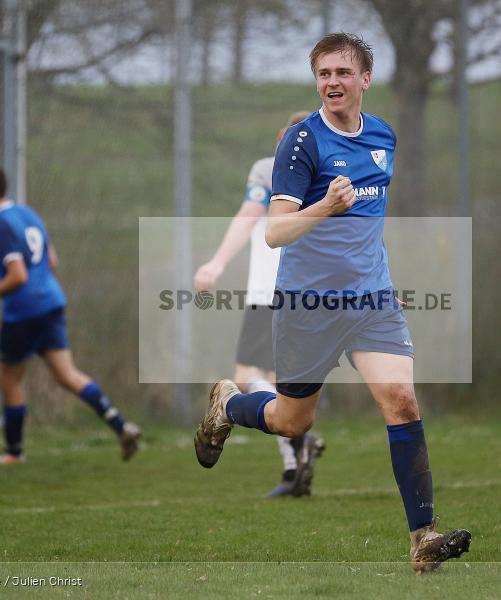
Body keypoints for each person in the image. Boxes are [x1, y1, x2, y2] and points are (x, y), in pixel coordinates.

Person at [194, 33, 470, 573]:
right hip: (307, 307)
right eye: (323, 74)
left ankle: (423, 539)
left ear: (365, 78)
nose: (333, 82)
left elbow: (367, 222)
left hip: (372, 301)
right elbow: (274, 232)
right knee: (293, 421)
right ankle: (228, 405)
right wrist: (325, 206)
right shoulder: (301, 142)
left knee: (402, 401)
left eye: (343, 72)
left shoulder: (384, 136)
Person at [0, 165, 141, 464]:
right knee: (66, 374)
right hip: (51, 301)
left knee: (10, 380)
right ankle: (121, 425)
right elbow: (52, 259)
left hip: (22, 311)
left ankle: (13, 452)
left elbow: (18, 275)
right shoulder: (28, 214)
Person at [194, 112, 325, 498]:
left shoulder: (271, 168)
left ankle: (301, 441)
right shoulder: (335, 172)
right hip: (316, 295)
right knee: (276, 379)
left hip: (273, 291)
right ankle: (291, 470)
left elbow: (248, 214)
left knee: (246, 373)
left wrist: (216, 263)